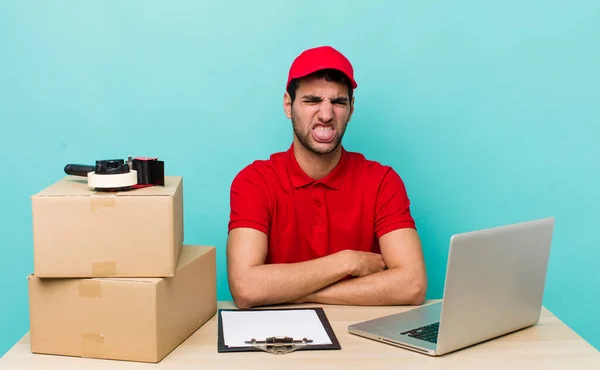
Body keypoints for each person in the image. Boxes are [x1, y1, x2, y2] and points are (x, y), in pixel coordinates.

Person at [226, 45, 427, 308]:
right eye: (311, 101)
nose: (326, 114)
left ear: (351, 108)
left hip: (362, 339)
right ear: (288, 105)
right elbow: (246, 287)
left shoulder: (382, 181)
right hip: (282, 339)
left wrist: (298, 292)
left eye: (338, 102)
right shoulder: (254, 181)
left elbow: (412, 285)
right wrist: (347, 261)